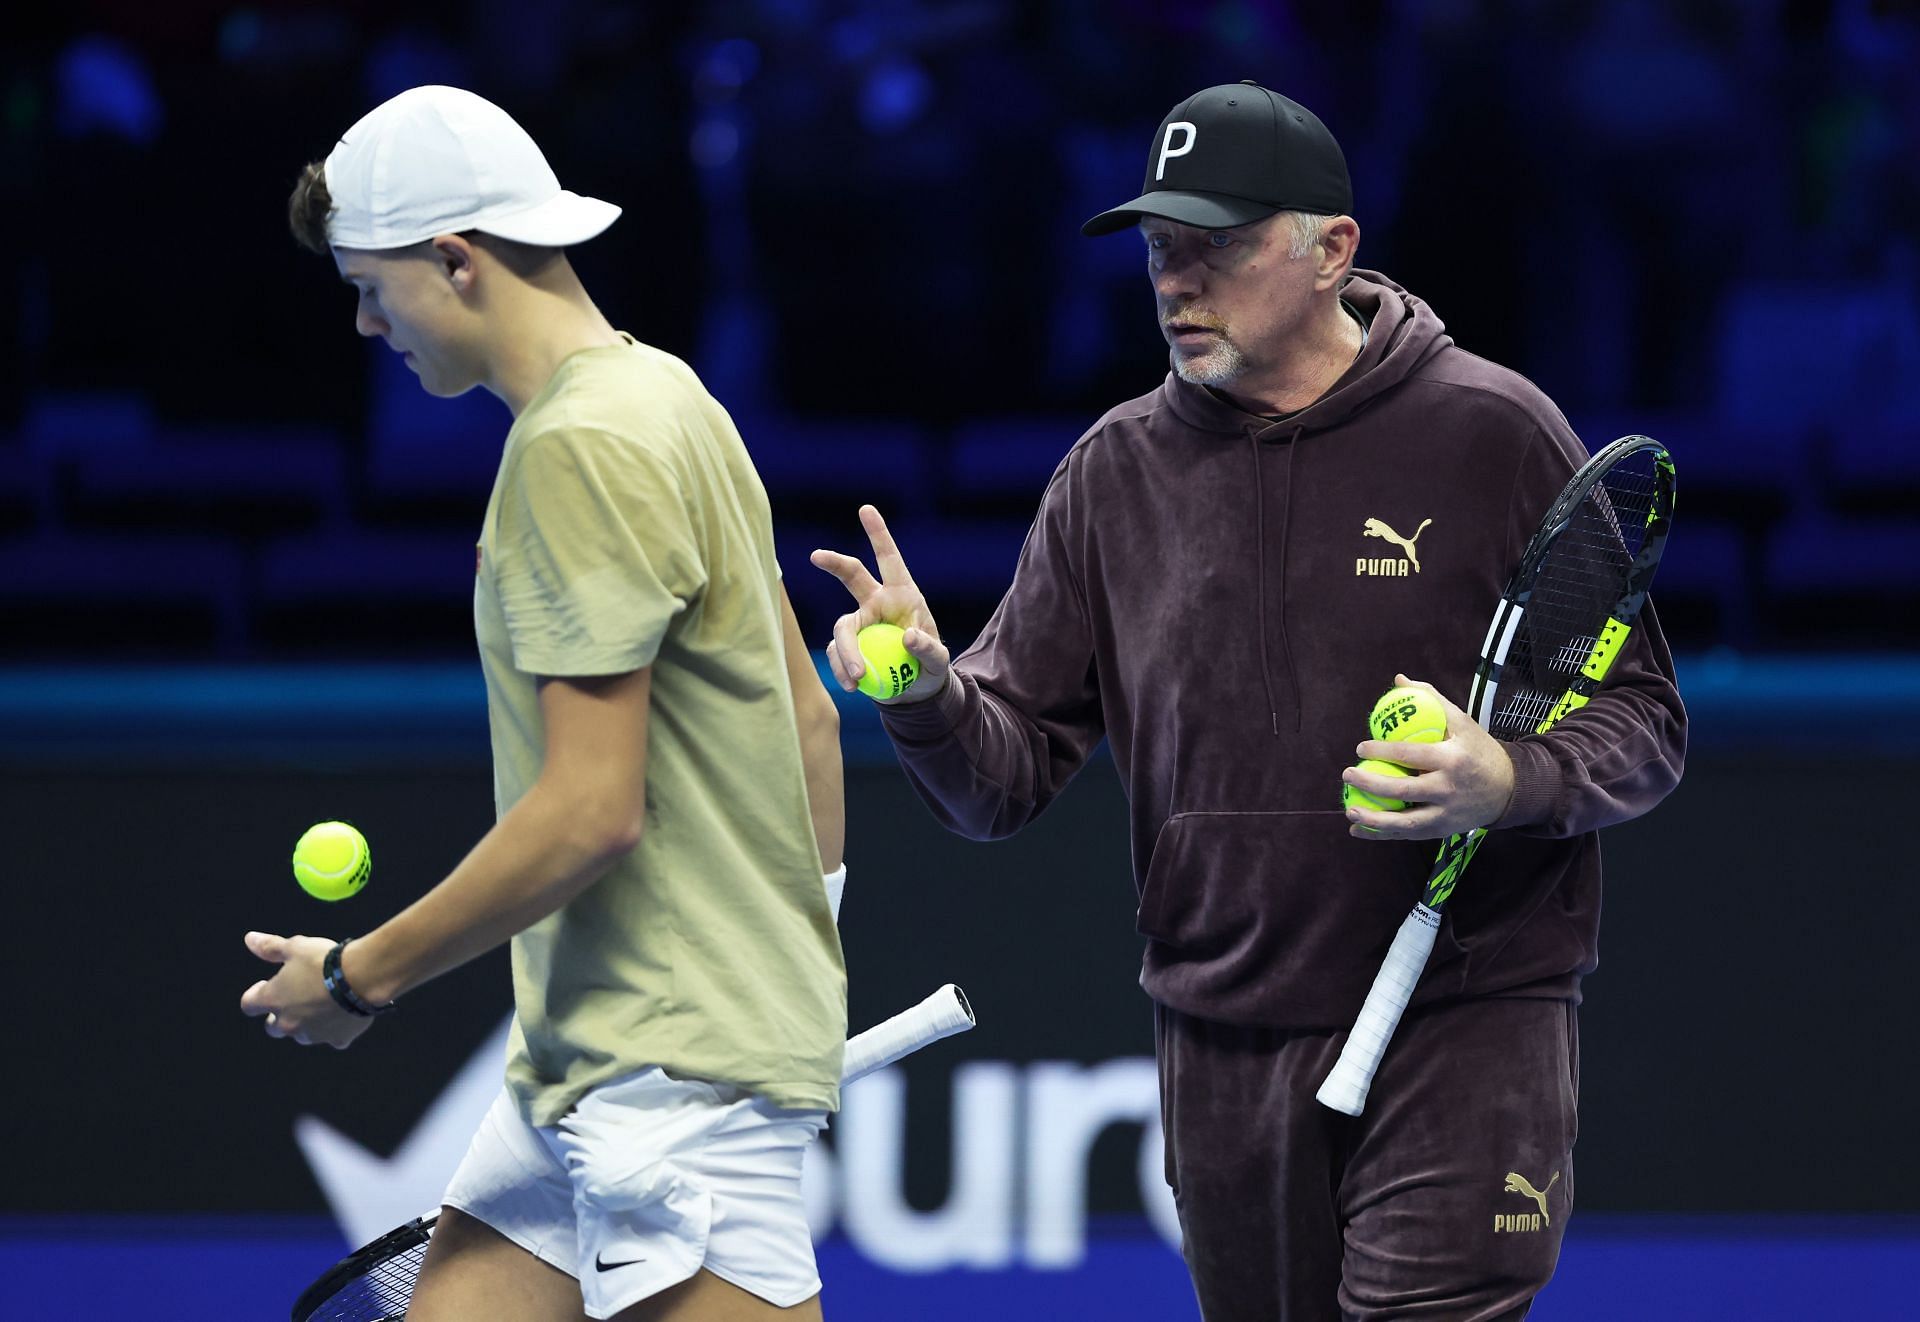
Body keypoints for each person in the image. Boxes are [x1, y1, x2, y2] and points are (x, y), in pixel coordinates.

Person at [811, 81, 1685, 1321]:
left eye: (1216, 245)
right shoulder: (1111, 476)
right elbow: (992, 789)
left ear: (1333, 250)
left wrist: (1508, 775)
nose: (1177, 280)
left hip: (1467, 1016)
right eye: (1161, 249)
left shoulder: (1494, 432)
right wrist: (918, 687)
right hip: (1220, 1035)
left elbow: (1645, 723)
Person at [242, 85, 848, 1322]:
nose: (366, 323)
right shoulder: (670, 396)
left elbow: (588, 813)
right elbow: (813, 724)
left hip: (668, 1081)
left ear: (455, 261)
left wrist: (359, 977)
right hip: (591, 1055)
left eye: (372, 284)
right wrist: (785, 963)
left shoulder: (581, 447)